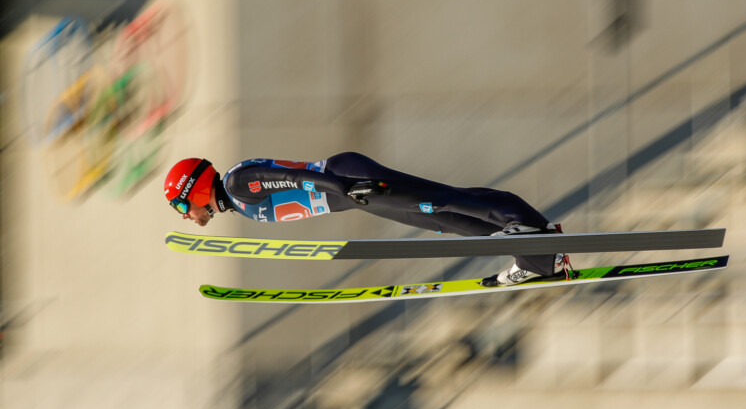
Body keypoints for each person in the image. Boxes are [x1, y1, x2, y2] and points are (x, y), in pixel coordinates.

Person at [163, 152, 571, 286]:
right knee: (445, 221)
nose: (188, 217)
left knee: (444, 200)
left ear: (193, 191)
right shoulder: (236, 201)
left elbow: (293, 177)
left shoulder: (237, 182)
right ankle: (538, 259)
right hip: (356, 196)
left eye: (183, 208)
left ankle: (529, 226)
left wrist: (343, 189)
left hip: (352, 181)